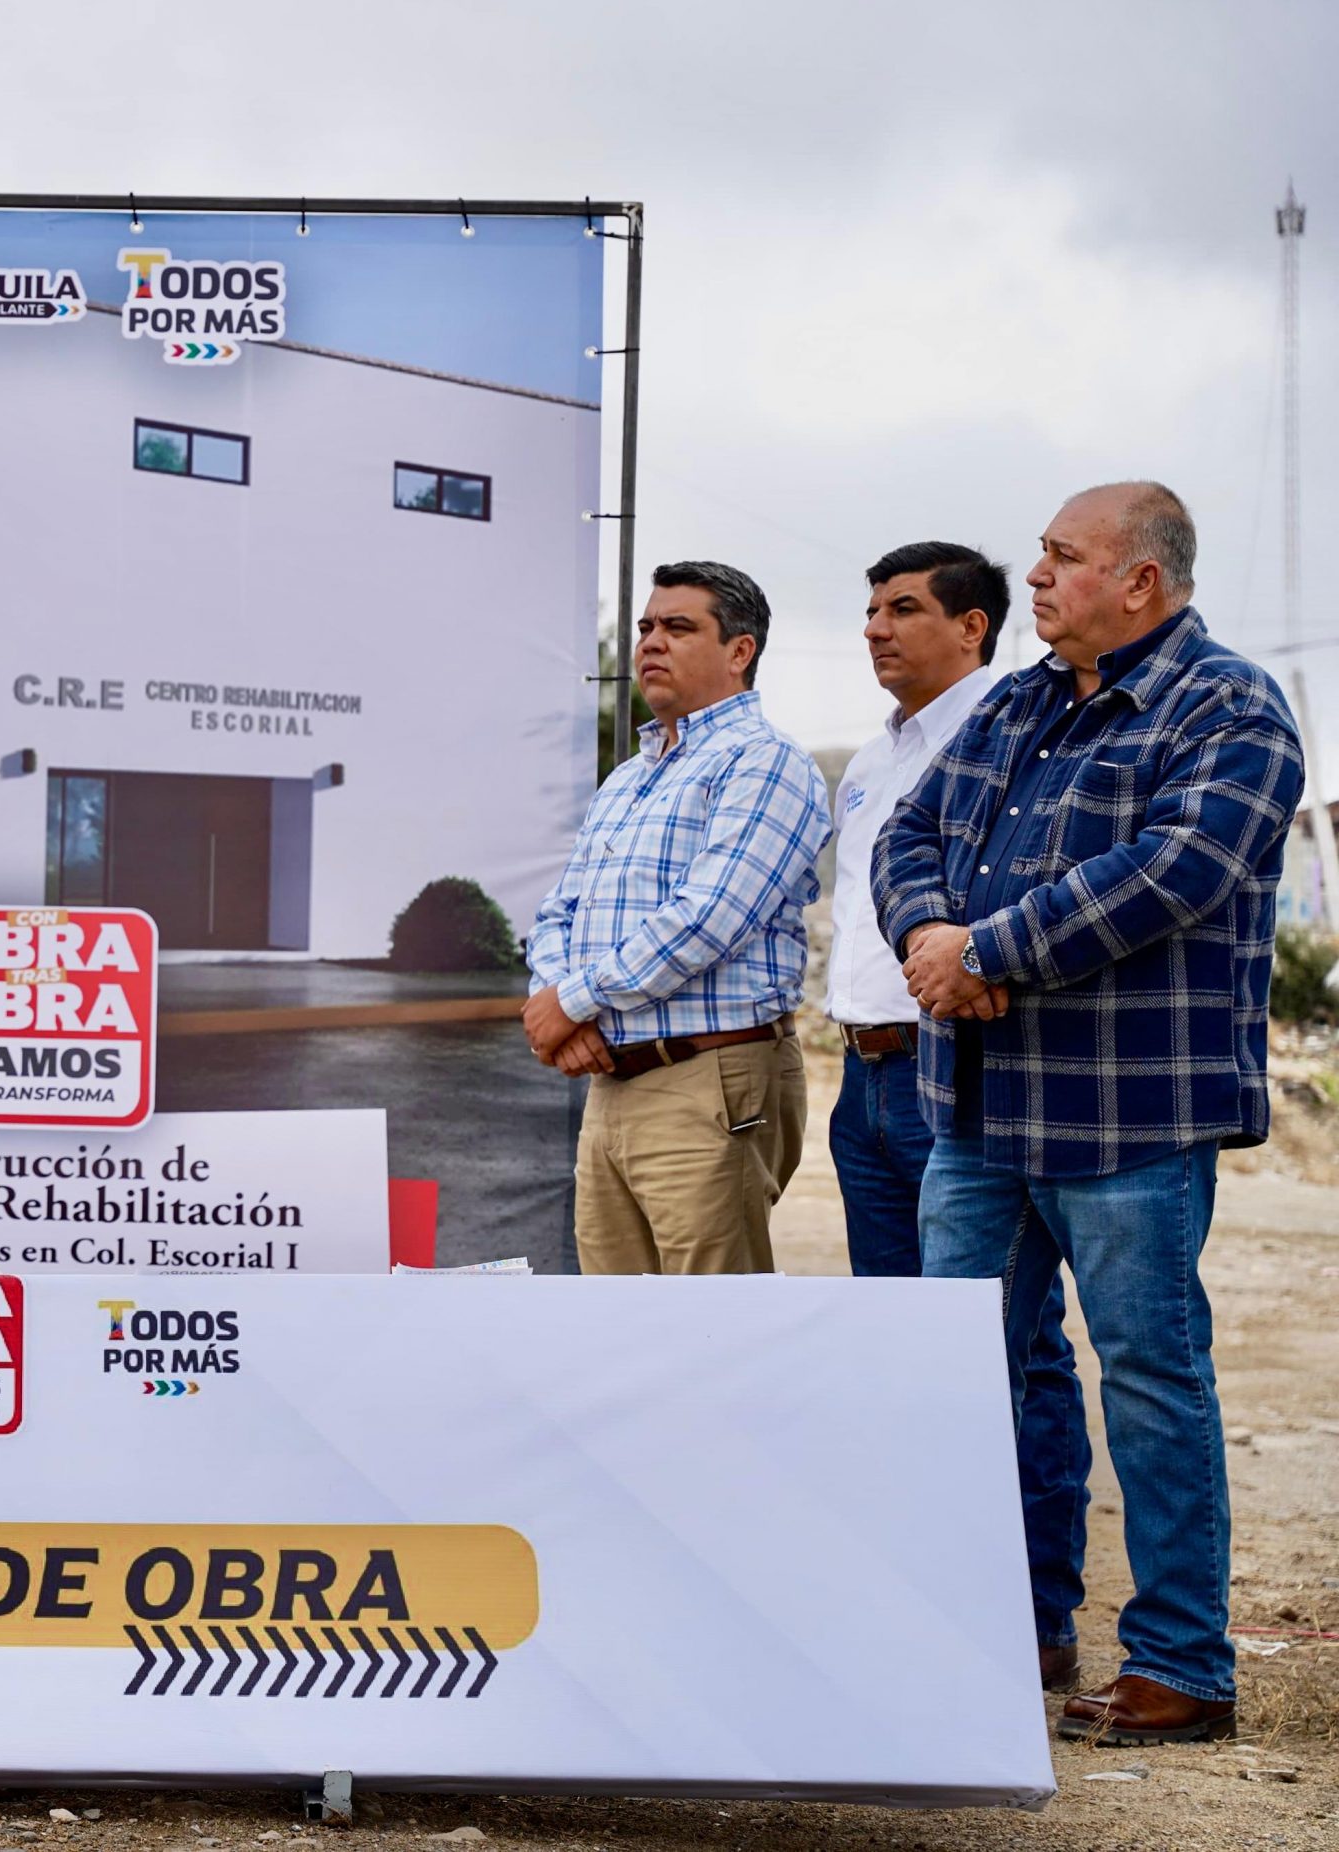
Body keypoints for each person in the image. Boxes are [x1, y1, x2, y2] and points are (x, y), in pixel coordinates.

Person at [877, 482, 1304, 1745]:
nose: (1038, 576)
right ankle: (1004, 1621)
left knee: (1151, 1380)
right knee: (961, 1377)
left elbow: (1170, 872)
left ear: (1139, 580)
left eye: (1062, 557)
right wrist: (930, 933)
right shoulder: (1016, 703)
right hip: (978, 1112)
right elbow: (908, 832)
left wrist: (986, 949)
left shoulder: (1229, 707)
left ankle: (1181, 1663)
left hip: (1128, 1120)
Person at [827, 541, 1093, 1692]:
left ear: (973, 626)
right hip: (863, 1077)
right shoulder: (871, 758)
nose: (875, 628)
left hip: (960, 1072)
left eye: (902, 608)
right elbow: (884, 887)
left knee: (1011, 1351)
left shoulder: (1012, 731)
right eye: (869, 610)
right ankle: (924, 1598)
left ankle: (1034, 1613)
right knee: (905, 1356)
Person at [525, 561, 830, 1274]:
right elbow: (560, 910)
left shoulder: (766, 762)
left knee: (711, 1323)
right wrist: (559, 1004)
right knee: (617, 1321)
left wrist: (571, 1001)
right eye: (645, 627)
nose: (650, 642)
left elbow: (709, 917)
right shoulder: (628, 778)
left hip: (707, 1075)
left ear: (739, 650)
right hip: (610, 1080)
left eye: (678, 627)